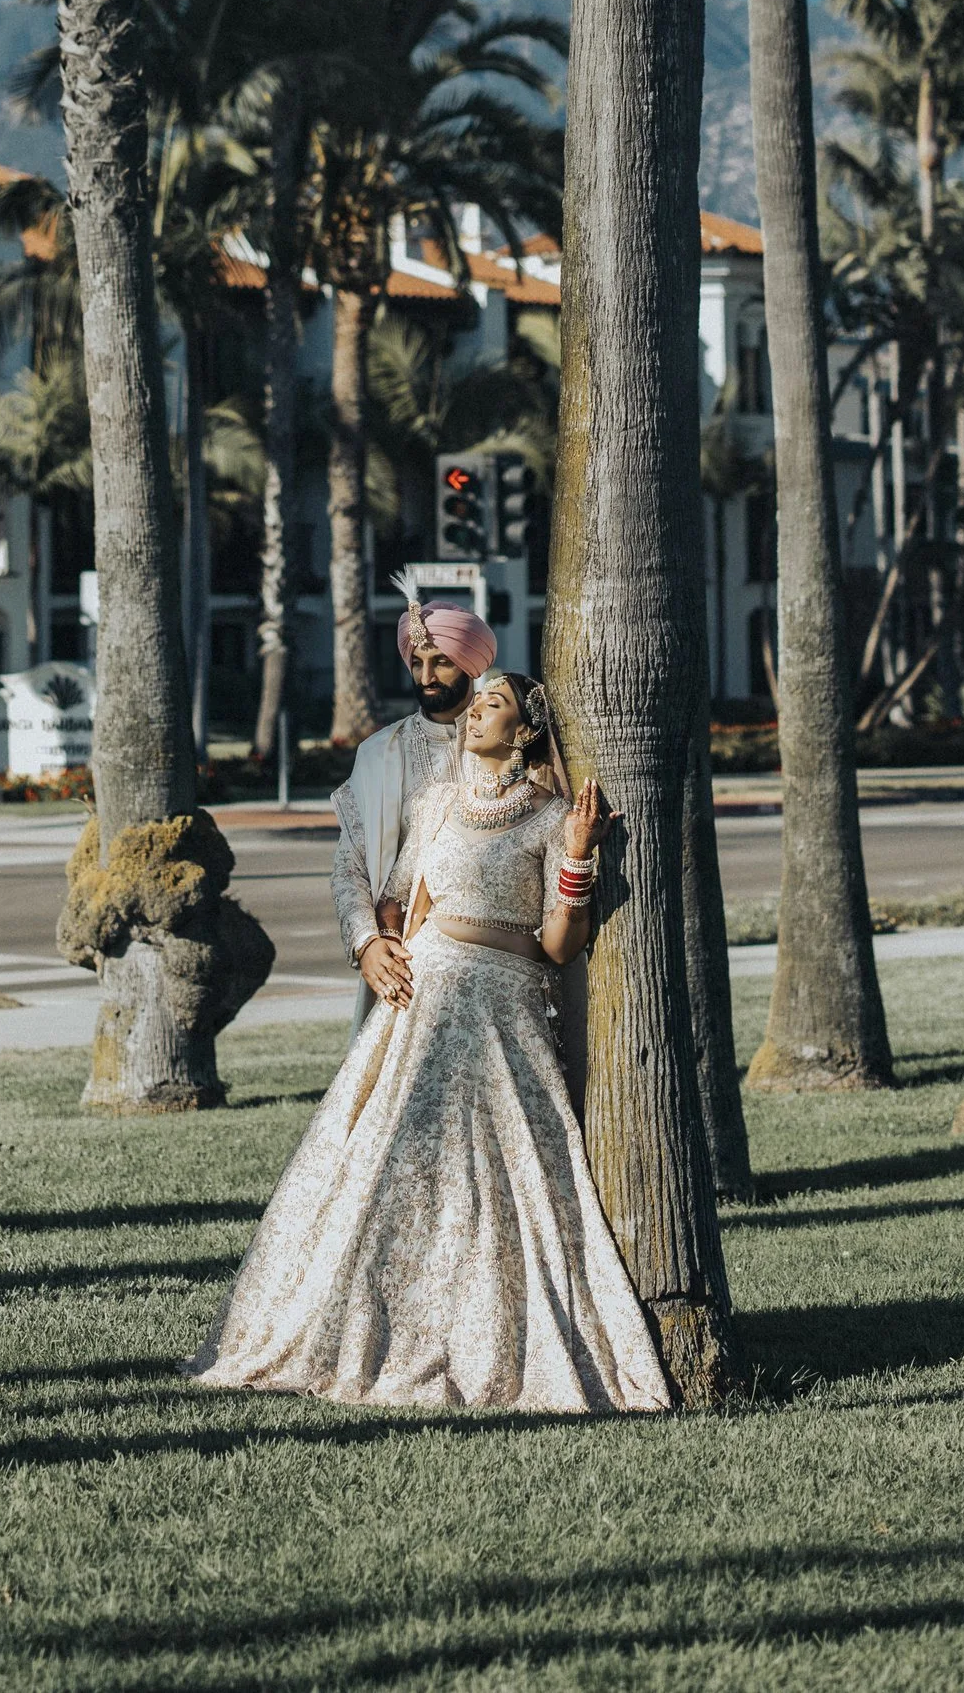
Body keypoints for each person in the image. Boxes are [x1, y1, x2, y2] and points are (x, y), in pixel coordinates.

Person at [187, 664, 672, 1412]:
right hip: (424, 999)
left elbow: (559, 945)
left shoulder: (549, 816)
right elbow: (393, 899)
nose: (476, 712)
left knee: (506, 1186)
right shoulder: (436, 803)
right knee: (388, 1172)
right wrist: (376, 948)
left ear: (526, 729)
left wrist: (577, 854)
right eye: (475, 703)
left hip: (507, 1004)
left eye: (495, 704)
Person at [329, 582, 494, 1030]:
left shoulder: (511, 741)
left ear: (470, 663)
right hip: (407, 956)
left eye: (441, 662)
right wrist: (367, 944)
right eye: (417, 663)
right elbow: (351, 866)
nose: (426, 677)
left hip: (500, 955)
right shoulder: (381, 753)